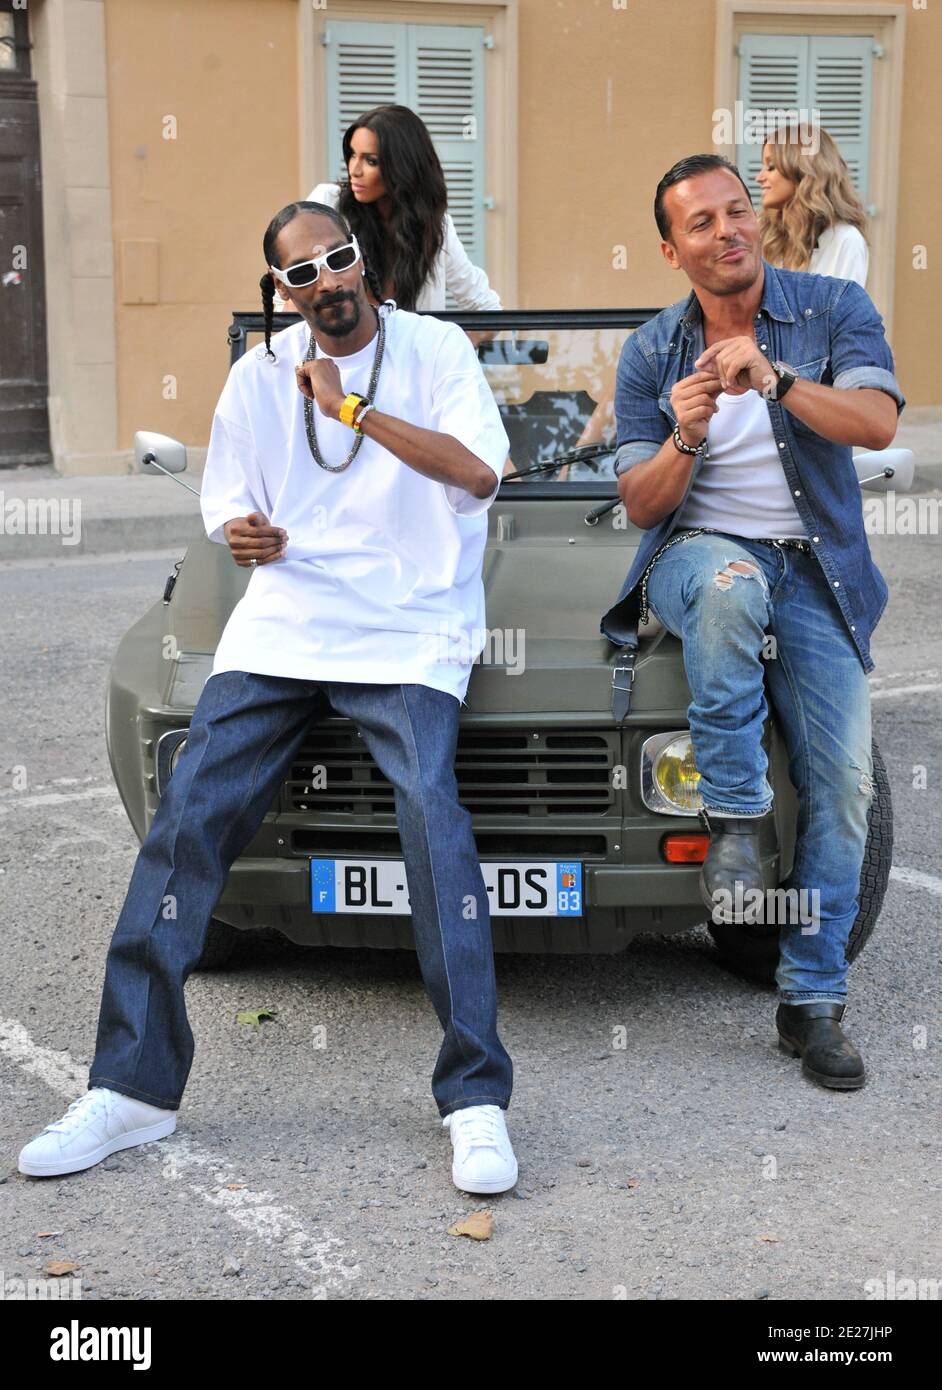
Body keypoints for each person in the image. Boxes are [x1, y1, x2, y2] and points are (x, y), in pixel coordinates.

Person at [19, 199, 518, 1194]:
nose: (325, 280)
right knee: (187, 818)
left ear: (364, 260)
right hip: (286, 620)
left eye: (337, 258)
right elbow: (229, 503)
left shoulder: (433, 351)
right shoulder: (255, 377)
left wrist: (350, 408)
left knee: (432, 813)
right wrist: (243, 532)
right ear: (280, 292)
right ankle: (132, 1089)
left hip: (409, 623)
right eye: (301, 272)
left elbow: (475, 476)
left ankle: (474, 1097)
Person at [600, 154, 904, 1091]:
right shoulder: (653, 350)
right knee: (730, 581)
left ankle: (810, 999)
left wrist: (773, 382)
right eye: (702, 223)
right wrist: (688, 434)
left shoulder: (830, 309)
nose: (728, 230)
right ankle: (735, 815)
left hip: (815, 568)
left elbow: (876, 422)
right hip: (699, 554)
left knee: (846, 783)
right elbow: (643, 505)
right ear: (671, 247)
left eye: (739, 212)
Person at [274, 103, 501, 313]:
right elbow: (281, 298)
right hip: (335, 355)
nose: (354, 169)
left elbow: (485, 306)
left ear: (403, 166)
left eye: (370, 160)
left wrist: (448, 352)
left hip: (407, 356)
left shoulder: (434, 227)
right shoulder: (328, 205)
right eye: (352, 155)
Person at [757, 123, 869, 287]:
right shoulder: (764, 235)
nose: (759, 177)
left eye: (771, 167)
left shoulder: (845, 241)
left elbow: (841, 311)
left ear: (802, 171)